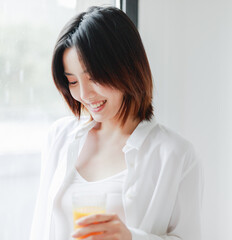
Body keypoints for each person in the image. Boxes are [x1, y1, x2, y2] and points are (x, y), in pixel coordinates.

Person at [30, 6, 203, 240]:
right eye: (72, 81)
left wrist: (131, 237)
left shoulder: (174, 155)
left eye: (93, 77)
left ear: (125, 67)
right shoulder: (59, 138)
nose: (84, 94)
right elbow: (40, 228)